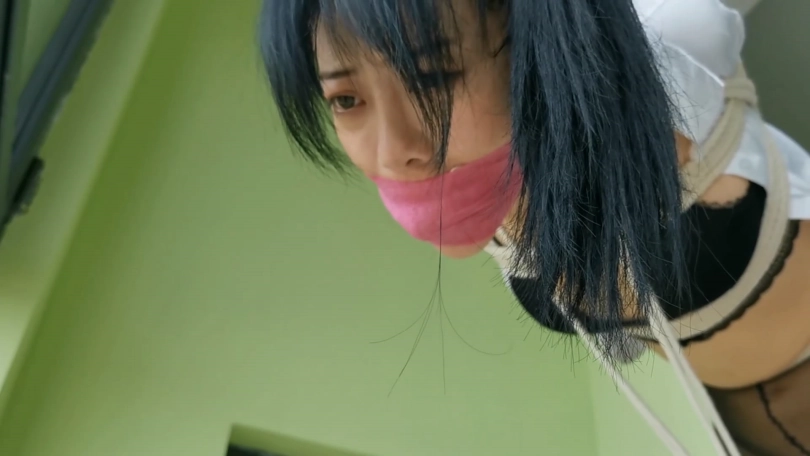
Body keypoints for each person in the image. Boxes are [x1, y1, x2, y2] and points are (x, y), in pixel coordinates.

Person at [258, 0, 810, 454]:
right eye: (346, 99)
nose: (392, 150)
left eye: (433, 75)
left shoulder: (668, 56)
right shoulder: (485, 190)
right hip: (743, 421)